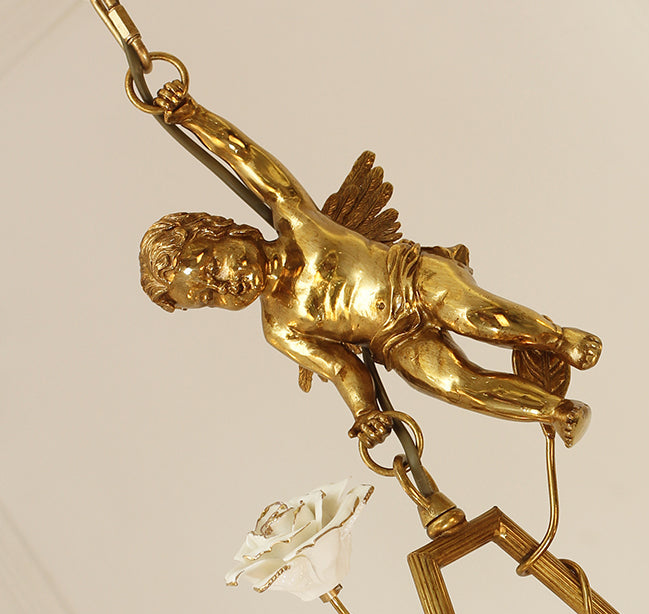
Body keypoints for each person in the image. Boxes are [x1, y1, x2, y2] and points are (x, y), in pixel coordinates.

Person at [139, 82, 602, 448]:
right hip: (394, 341)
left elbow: (245, 156)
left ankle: (559, 338)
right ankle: (554, 410)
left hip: (412, 277)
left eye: (213, 270)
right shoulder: (280, 327)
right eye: (210, 298)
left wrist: (193, 115)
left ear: (225, 231)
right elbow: (342, 367)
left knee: (477, 316)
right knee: (452, 384)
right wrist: (364, 412)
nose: (226, 287)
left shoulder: (297, 221)